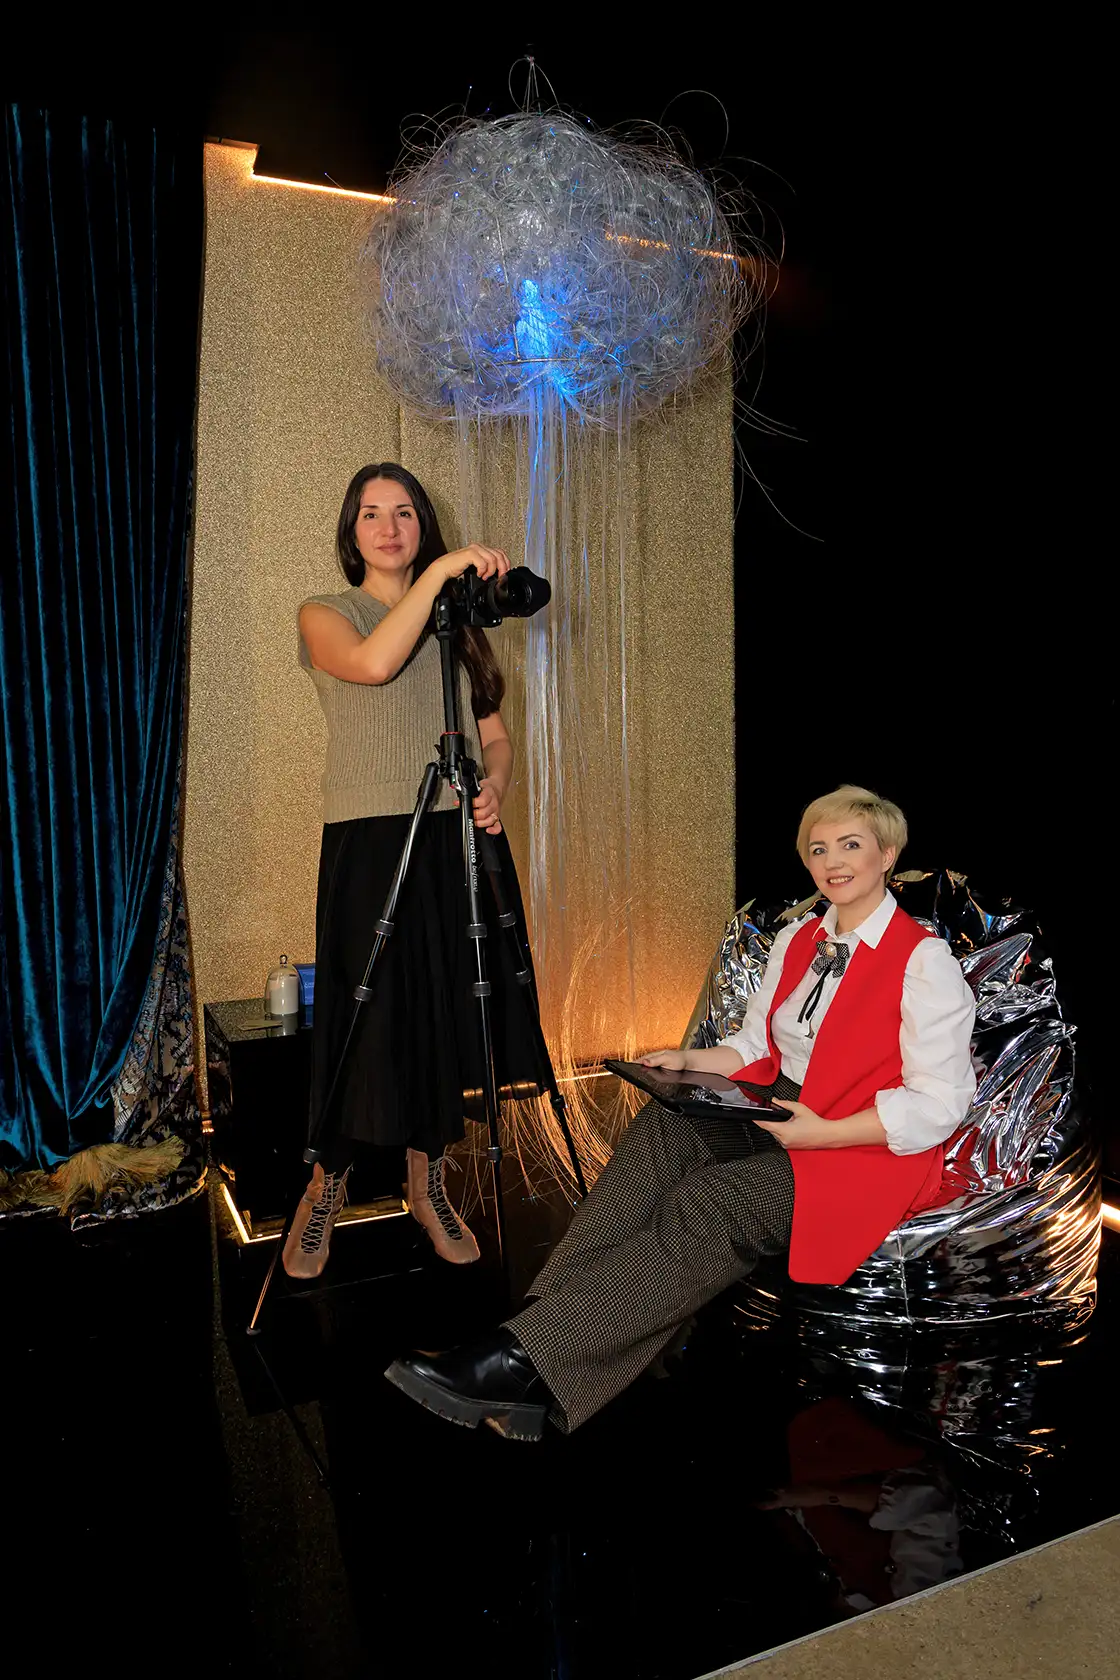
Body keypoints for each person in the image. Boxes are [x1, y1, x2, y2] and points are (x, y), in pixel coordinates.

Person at [385, 785, 978, 1438]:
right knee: (665, 1127)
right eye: (818, 849)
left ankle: (519, 1359)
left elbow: (941, 1102)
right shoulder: (798, 940)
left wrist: (827, 1132)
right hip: (785, 1114)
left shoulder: (924, 961)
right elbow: (754, 1048)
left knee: (713, 1201)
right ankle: (538, 1336)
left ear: (887, 854)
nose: (832, 861)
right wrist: (687, 1059)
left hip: (867, 1147)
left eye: (850, 845)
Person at [281, 462, 533, 1279]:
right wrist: (441, 576)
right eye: (370, 514)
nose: (388, 528)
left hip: (450, 838)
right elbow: (374, 665)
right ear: (351, 532)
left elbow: (494, 735)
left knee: (440, 1010)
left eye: (404, 513)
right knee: (362, 1019)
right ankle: (325, 1188)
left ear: (423, 524)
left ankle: (428, 1187)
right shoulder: (326, 613)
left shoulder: (456, 625)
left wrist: (494, 786)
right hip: (368, 838)